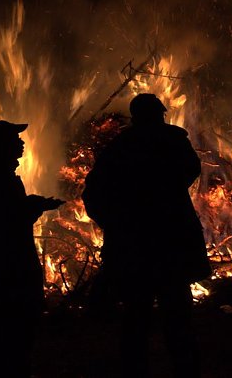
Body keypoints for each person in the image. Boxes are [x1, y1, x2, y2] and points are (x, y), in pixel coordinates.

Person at [83, 93, 210, 378]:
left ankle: (137, 369)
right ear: (159, 114)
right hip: (171, 246)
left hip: (135, 248)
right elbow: (190, 171)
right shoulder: (174, 141)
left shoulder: (120, 146)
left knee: (136, 317)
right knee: (177, 317)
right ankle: (185, 370)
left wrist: (113, 225)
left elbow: (93, 192)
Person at [0, 119, 64, 377]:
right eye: (15, 139)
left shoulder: (0, 174)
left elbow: (11, 210)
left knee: (13, 330)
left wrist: (32, 203)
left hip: (8, 263)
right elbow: (9, 218)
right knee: (12, 328)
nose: (21, 142)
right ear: (3, 145)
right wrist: (36, 206)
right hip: (9, 267)